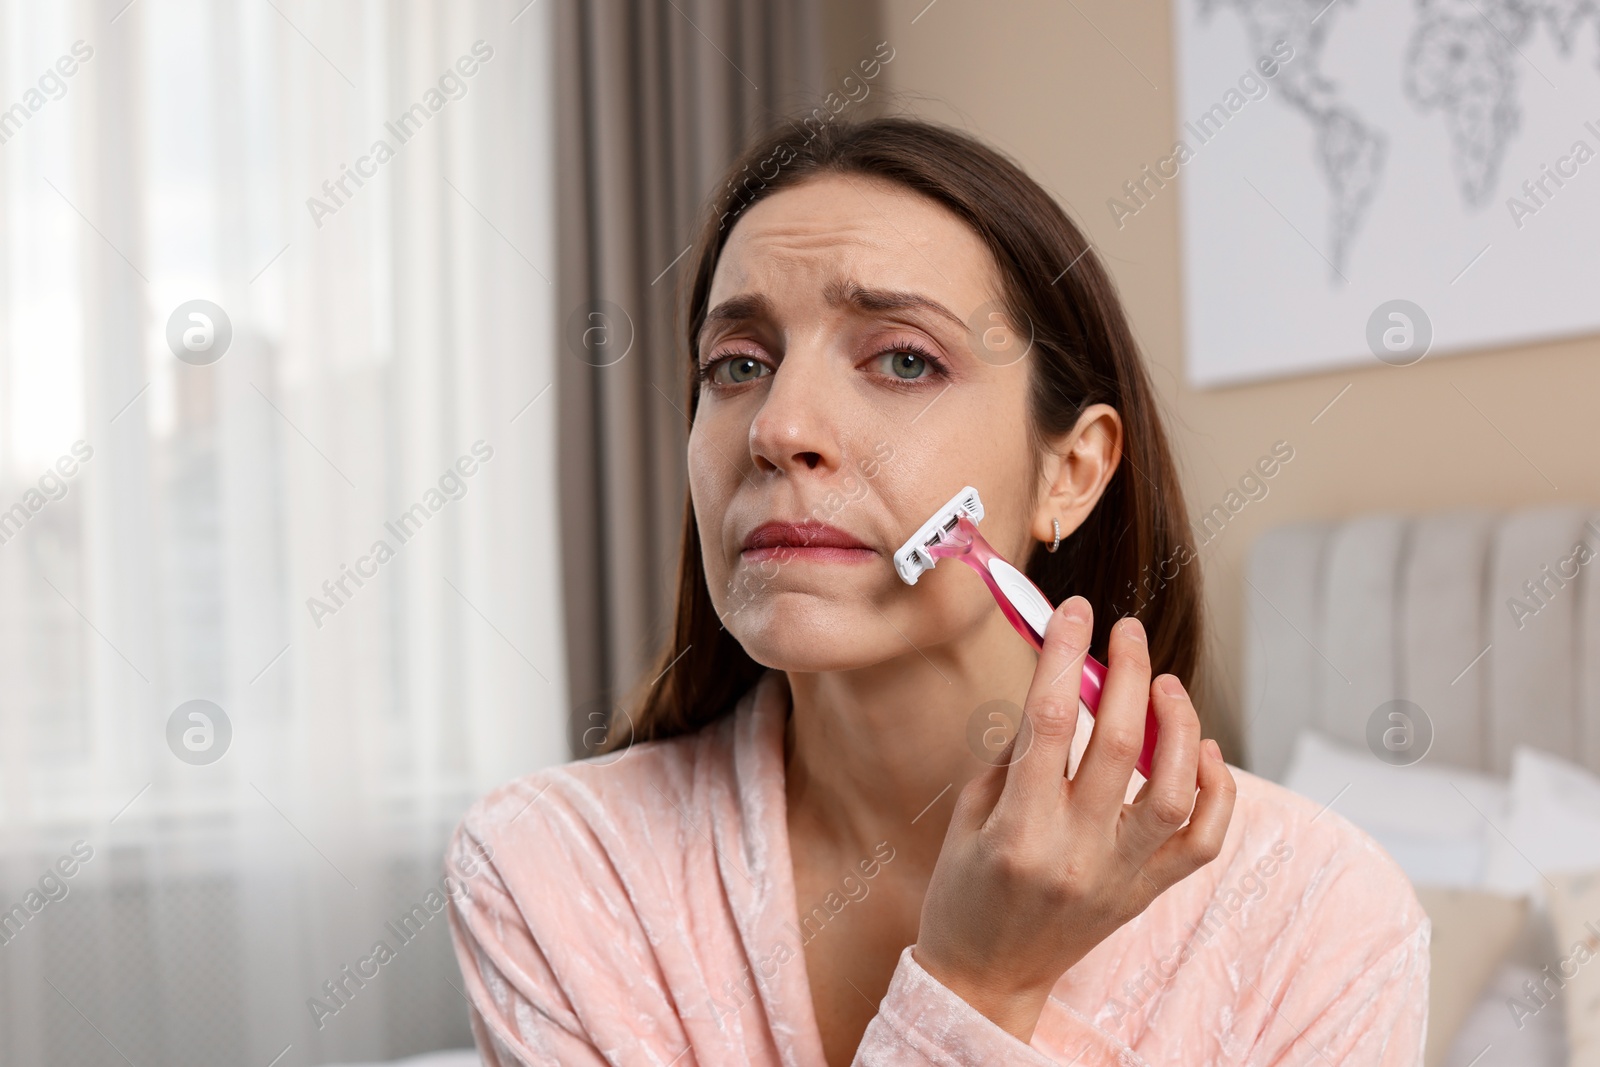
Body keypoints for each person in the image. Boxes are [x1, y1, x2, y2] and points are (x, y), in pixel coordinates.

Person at [445, 115, 1429, 1066]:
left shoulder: (1319, 911)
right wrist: (976, 987)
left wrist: (978, 988)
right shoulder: (554, 870)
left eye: (903, 359)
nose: (778, 426)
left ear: (1072, 472)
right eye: (737, 363)